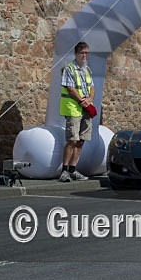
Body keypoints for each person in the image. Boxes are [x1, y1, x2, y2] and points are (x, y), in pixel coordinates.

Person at [58, 41, 94, 181]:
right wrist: (81, 101)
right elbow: (70, 88)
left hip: (85, 108)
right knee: (72, 140)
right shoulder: (69, 69)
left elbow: (92, 88)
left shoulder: (87, 70)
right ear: (76, 54)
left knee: (81, 140)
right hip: (73, 108)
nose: (84, 55)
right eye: (82, 53)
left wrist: (90, 99)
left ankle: (73, 169)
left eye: (86, 53)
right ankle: (64, 171)